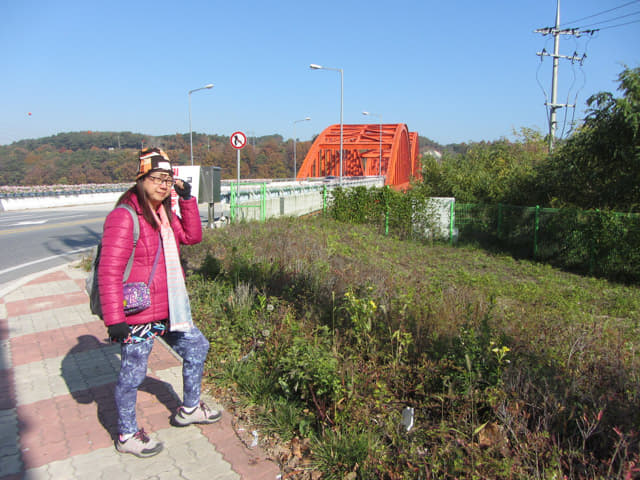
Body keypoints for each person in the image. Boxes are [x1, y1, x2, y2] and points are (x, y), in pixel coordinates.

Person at [98, 147, 221, 458]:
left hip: (169, 309)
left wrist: (187, 200)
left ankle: (190, 408)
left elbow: (192, 237)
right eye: (157, 178)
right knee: (133, 374)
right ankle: (126, 434)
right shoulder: (124, 216)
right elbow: (110, 270)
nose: (164, 184)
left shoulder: (164, 213)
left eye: (169, 179)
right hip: (138, 312)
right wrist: (114, 319)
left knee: (197, 346)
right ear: (141, 178)